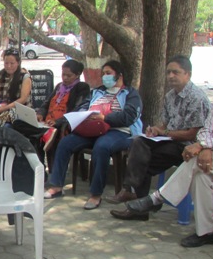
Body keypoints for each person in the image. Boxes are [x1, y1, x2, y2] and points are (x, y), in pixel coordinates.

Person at [116, 57, 213, 247]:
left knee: (194, 160)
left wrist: (202, 146)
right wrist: (205, 146)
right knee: (200, 174)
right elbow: (207, 129)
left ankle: (156, 198)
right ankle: (206, 232)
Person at [109, 55, 212, 219]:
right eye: (169, 72)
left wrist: (165, 133)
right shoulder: (170, 96)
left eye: (176, 72)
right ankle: (134, 198)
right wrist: (156, 130)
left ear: (188, 74)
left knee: (142, 160)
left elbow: (193, 133)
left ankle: (133, 198)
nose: (171, 76)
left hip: (189, 147)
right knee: (139, 143)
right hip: (169, 143)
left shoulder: (196, 97)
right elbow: (165, 124)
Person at [44, 60, 143, 210]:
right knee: (66, 142)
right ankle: (57, 186)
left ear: (119, 75)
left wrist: (105, 118)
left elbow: (129, 116)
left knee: (101, 147)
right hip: (92, 130)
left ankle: (96, 194)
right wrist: (72, 118)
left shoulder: (130, 93)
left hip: (118, 132)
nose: (105, 76)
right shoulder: (97, 92)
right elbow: (82, 107)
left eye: (108, 73)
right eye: (103, 73)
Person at [12, 59, 90, 169]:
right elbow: (46, 103)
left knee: (36, 137)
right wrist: (40, 114)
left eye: (69, 75)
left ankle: (41, 166)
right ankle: (43, 138)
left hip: (61, 124)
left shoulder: (81, 87)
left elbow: (77, 110)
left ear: (77, 75)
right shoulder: (59, 86)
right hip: (47, 123)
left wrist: (57, 122)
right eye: (63, 74)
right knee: (17, 123)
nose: (65, 78)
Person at [0, 48, 33, 126]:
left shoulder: (25, 77)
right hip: (2, 110)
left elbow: (23, 99)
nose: (9, 66)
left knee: (6, 127)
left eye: (12, 63)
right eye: (6, 63)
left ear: (18, 63)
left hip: (19, 113)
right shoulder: (1, 76)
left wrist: (4, 108)